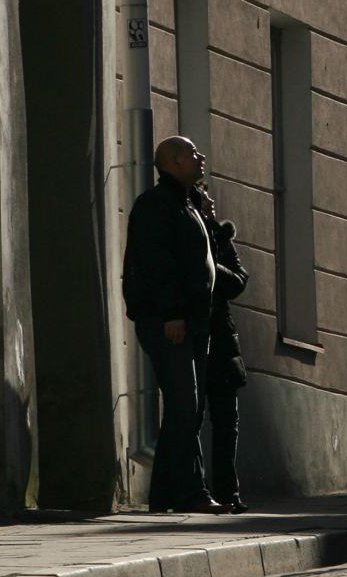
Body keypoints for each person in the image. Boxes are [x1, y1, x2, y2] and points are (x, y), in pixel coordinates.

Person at [121, 135, 221, 513]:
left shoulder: (186, 204)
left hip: (192, 321)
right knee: (184, 404)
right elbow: (156, 263)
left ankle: (166, 495)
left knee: (188, 408)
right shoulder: (156, 205)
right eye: (193, 153)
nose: (201, 156)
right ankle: (189, 493)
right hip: (169, 321)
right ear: (174, 162)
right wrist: (173, 313)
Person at [191, 185, 250, 513]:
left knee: (227, 421)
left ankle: (229, 492)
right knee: (193, 417)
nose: (213, 203)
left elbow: (239, 279)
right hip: (197, 335)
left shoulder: (218, 235)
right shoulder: (189, 231)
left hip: (223, 339)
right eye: (206, 198)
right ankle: (195, 489)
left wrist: (212, 266)